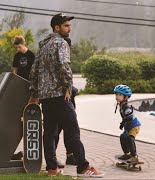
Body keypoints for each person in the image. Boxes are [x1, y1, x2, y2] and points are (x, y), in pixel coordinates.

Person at [29, 13, 104, 177]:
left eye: (69, 25)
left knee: (49, 133)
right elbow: (64, 66)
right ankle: (83, 167)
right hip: (60, 96)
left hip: (46, 98)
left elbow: (33, 71)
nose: (69, 28)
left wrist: (34, 94)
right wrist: (68, 87)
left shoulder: (43, 45)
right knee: (72, 130)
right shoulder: (60, 43)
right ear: (57, 27)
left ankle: (51, 168)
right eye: (66, 25)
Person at [54, 37, 78, 167]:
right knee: (56, 131)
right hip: (60, 100)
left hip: (69, 100)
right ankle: (53, 159)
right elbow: (61, 80)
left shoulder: (66, 60)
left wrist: (72, 89)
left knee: (69, 130)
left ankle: (70, 156)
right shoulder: (59, 61)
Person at [114, 85, 141, 163]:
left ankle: (134, 156)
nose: (117, 96)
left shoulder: (127, 107)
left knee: (129, 138)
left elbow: (129, 119)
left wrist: (126, 129)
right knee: (122, 137)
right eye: (116, 94)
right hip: (128, 124)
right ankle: (127, 154)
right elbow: (125, 118)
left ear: (126, 97)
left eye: (120, 95)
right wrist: (122, 124)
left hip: (134, 125)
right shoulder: (121, 105)